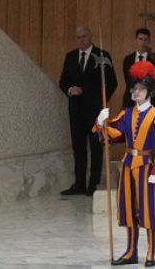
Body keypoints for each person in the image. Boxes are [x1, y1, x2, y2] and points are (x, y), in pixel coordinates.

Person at [96, 60, 155, 267]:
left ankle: (152, 251)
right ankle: (131, 251)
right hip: (128, 165)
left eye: (141, 89)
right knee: (129, 209)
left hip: (148, 167)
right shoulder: (127, 113)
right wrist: (100, 124)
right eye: (135, 88)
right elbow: (113, 135)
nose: (137, 92)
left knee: (149, 210)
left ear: (149, 91)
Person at [57, 25, 117, 195]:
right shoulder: (70, 57)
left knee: (96, 147)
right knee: (78, 147)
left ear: (90, 37)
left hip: (95, 111)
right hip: (75, 110)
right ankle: (79, 183)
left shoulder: (102, 56)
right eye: (78, 37)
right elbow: (63, 82)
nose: (81, 40)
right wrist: (70, 90)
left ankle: (93, 184)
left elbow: (112, 83)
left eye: (84, 36)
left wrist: (98, 101)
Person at [121, 28, 155, 109]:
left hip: (151, 103)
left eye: (145, 40)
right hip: (130, 103)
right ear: (136, 40)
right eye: (140, 39)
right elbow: (127, 80)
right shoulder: (128, 59)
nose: (143, 42)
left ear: (149, 41)